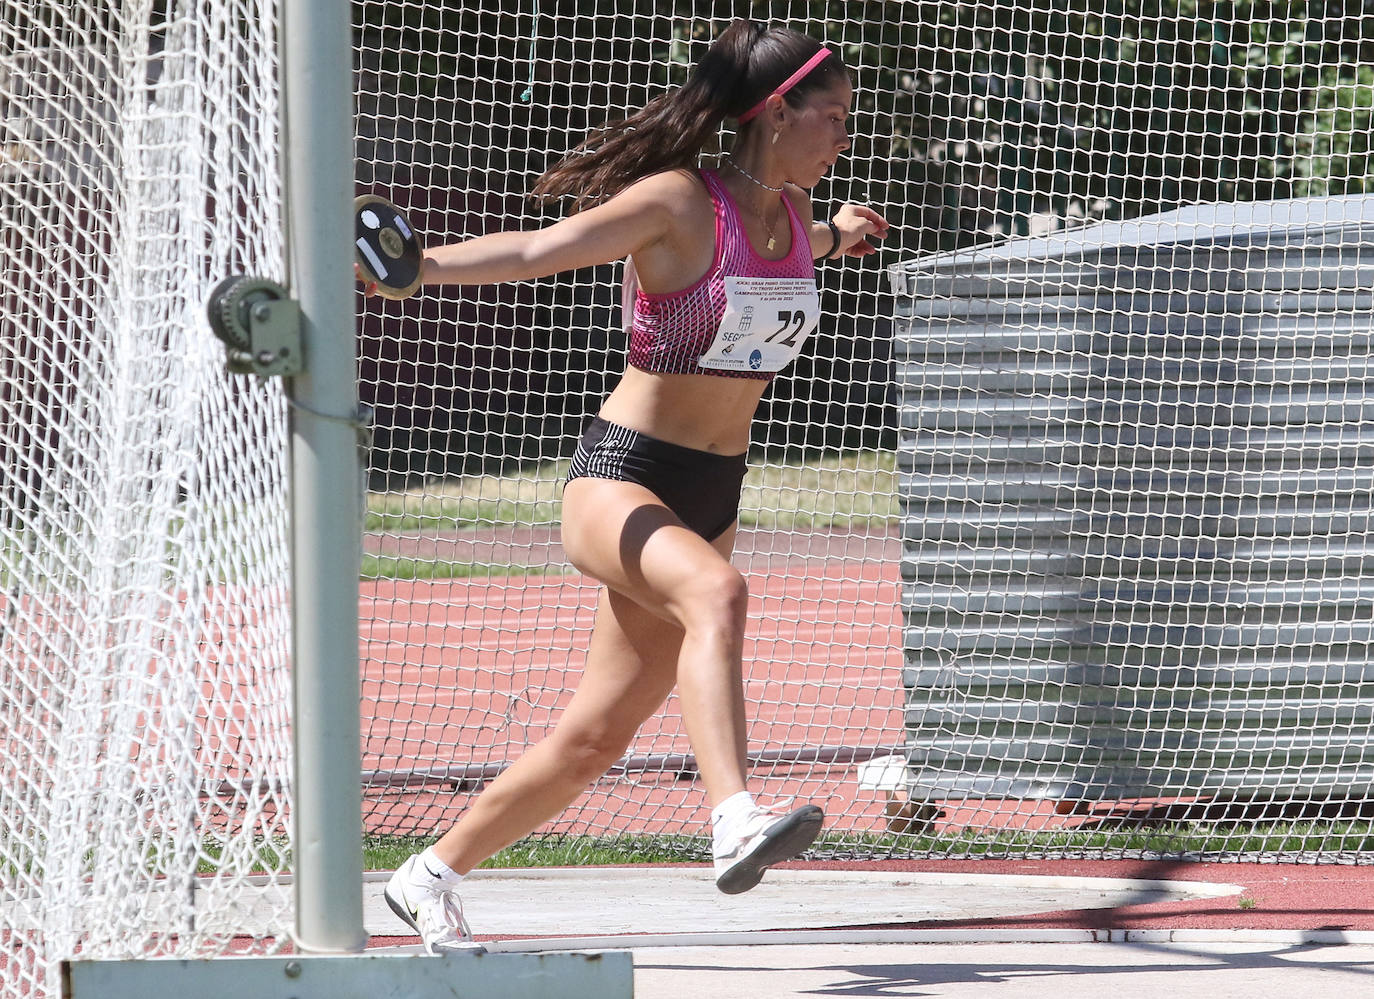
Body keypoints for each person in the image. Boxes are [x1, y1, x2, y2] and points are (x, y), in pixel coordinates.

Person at [366, 17, 889, 952]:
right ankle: (732, 817)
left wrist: (844, 231)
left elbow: (812, 242)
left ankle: (428, 871)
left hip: (712, 488)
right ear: (778, 111)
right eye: (837, 114)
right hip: (623, 476)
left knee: (596, 737)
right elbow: (537, 250)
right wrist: (418, 271)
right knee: (718, 593)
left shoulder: (798, 218)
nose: (847, 131)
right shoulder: (681, 204)